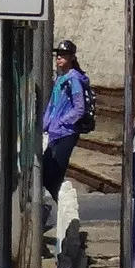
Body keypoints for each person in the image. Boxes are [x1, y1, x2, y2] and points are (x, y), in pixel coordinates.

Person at [40, 39, 93, 201]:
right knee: (46, 173)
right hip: (55, 133)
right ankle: (63, 210)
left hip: (66, 133)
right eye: (58, 55)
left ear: (71, 58)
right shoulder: (60, 79)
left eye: (63, 55)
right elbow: (53, 104)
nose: (59, 59)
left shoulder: (74, 80)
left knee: (54, 175)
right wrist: (46, 124)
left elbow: (79, 108)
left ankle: (67, 213)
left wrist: (62, 121)